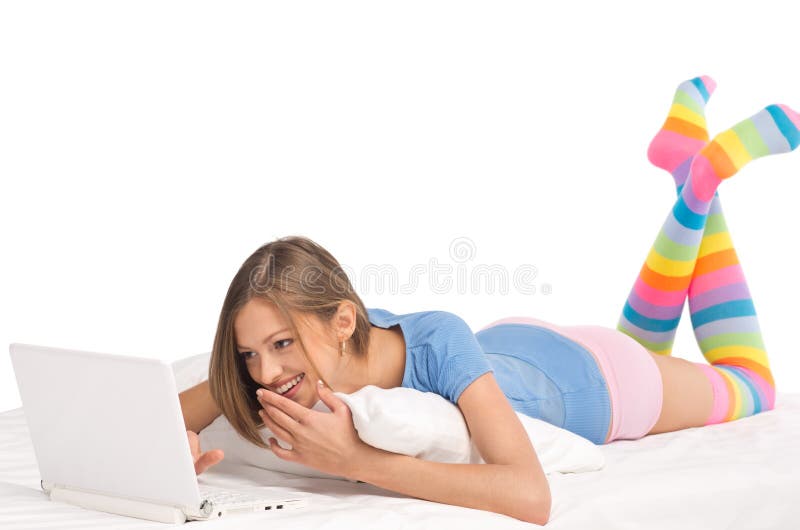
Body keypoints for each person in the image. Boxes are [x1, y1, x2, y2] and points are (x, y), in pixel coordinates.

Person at [178, 76, 800, 525]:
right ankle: (682, 167)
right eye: (249, 353)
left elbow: (530, 496)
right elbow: (176, 411)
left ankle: (702, 184)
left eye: (281, 345)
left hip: (600, 383)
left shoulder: (433, 342)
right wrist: (174, 439)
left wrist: (357, 462)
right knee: (642, 338)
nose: (265, 373)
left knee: (752, 384)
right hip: (518, 350)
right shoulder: (282, 366)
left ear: (343, 320)